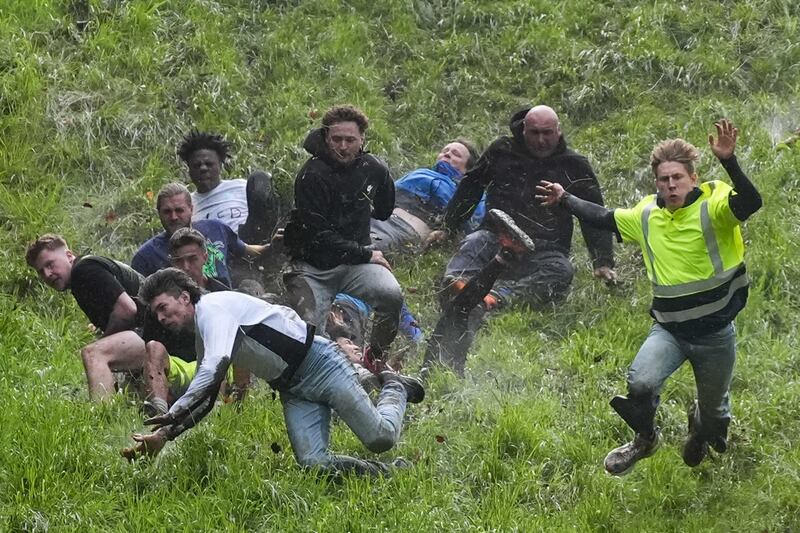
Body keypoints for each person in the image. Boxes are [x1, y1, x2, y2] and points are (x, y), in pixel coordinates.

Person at [536, 119, 762, 474]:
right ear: (656, 182)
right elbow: (605, 218)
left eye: (678, 178)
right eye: (664, 179)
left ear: (693, 178)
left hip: (715, 334)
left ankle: (700, 428)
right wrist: (565, 200)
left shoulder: (714, 205)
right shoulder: (646, 214)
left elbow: (751, 201)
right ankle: (644, 439)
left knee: (716, 423)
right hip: (670, 331)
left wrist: (730, 162)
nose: (671, 186)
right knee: (640, 383)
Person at [122, 268, 425, 477]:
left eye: (163, 307)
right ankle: (389, 471)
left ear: (184, 297)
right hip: (292, 388)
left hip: (321, 365)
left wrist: (173, 411)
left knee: (380, 438)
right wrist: (164, 435)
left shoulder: (214, 308)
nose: (161, 318)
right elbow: (208, 395)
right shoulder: (205, 331)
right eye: (156, 313)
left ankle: (395, 387)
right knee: (314, 464)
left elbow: (214, 367)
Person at [423, 105, 615, 374]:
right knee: (472, 244)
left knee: (561, 271)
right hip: (494, 235)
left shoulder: (574, 165)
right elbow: (472, 186)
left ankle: (494, 298)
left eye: (547, 133)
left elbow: (592, 211)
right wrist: (448, 226)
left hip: (544, 249)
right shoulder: (502, 151)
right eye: (534, 132)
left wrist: (603, 261)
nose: (540, 140)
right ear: (523, 129)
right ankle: (456, 285)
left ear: (559, 131)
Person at [283, 105, 403, 369]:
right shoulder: (311, 175)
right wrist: (368, 254)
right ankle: (319, 375)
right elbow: (319, 235)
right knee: (308, 335)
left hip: (354, 263)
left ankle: (375, 357)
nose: (343, 146)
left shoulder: (371, 167)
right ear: (326, 139)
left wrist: (383, 178)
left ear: (362, 140)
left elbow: (384, 212)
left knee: (391, 295)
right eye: (337, 139)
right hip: (313, 267)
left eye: (350, 140)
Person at [25, 234, 146, 400]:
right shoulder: (81, 275)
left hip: (160, 338)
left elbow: (127, 309)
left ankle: (102, 419)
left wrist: (104, 339)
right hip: (155, 335)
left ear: (69, 256)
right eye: (41, 271)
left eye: (50, 264)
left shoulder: (84, 269)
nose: (47, 274)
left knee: (94, 353)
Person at [140, 227, 235, 416]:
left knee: (221, 351)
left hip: (219, 367)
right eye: (179, 261)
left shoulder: (222, 295)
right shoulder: (159, 302)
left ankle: (216, 415)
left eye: (192, 259)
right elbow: (151, 355)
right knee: (153, 348)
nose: (186, 267)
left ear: (205, 258)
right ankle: (159, 415)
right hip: (181, 369)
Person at [131, 182, 272, 286]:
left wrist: (273, 246)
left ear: (191, 209)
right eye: (167, 212)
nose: (174, 217)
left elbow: (248, 250)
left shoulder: (216, 228)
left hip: (228, 303)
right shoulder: (146, 257)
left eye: (179, 210)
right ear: (159, 214)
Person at [370, 139, 484, 252]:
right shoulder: (421, 173)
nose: (448, 154)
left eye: (456, 154)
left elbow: (470, 226)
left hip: (401, 230)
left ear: (468, 169)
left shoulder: (468, 195)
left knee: (367, 246)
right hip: (375, 216)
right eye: (445, 151)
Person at [178, 129, 280, 244]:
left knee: (259, 179)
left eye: (209, 164)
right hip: (216, 251)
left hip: (251, 238)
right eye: (197, 165)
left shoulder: (241, 186)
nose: (203, 168)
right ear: (189, 169)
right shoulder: (186, 203)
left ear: (220, 165)